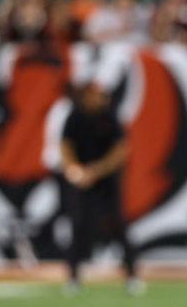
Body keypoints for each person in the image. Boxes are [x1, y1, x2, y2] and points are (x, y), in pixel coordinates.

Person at [60, 82, 143, 296]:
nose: (99, 98)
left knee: (118, 227)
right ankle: (72, 278)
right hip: (81, 182)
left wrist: (95, 171)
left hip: (105, 182)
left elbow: (120, 151)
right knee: (78, 227)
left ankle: (132, 276)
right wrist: (73, 169)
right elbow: (65, 146)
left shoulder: (109, 116)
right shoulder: (75, 116)